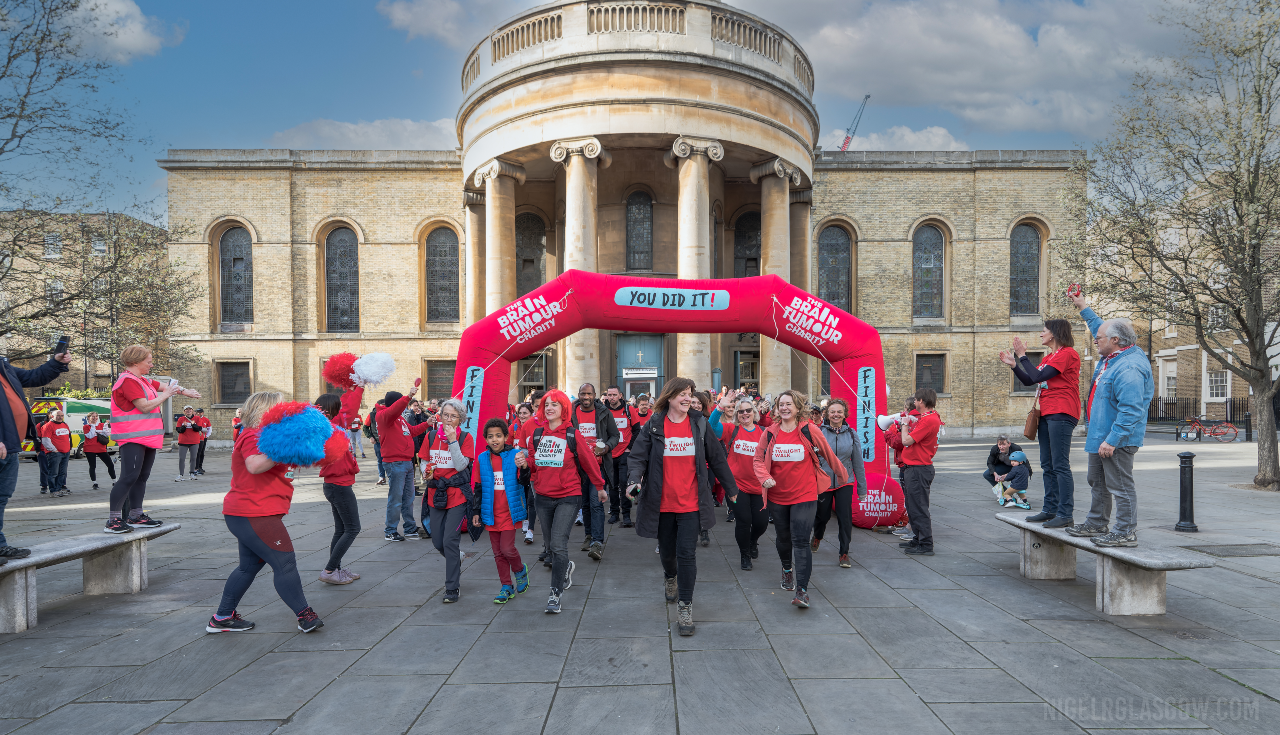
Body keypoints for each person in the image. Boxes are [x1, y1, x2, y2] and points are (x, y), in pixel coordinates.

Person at [626, 377, 738, 635]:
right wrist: (634, 480)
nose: (688, 398)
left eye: (690, 394)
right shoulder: (654, 424)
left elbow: (717, 458)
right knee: (668, 554)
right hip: (661, 504)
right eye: (683, 394)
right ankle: (670, 578)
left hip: (691, 504)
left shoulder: (699, 423)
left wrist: (731, 489)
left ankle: (685, 607)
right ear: (670, 397)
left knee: (687, 553)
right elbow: (637, 457)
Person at [206, 391, 323, 634]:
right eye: (280, 408)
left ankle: (222, 617)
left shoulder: (268, 436)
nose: (286, 412)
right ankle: (305, 615)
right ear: (267, 410)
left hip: (251, 512)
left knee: (248, 567)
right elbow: (255, 465)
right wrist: (289, 443)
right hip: (254, 513)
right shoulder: (252, 434)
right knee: (285, 562)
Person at [1067, 291, 1154, 547]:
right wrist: (1083, 306)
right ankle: (1096, 523)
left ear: (1115, 340)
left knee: (1120, 485)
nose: (1096, 340)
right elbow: (1100, 327)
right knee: (1098, 482)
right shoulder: (1114, 353)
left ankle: (1126, 531)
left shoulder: (1129, 367)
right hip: (1101, 434)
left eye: (1100, 339)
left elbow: (1131, 410)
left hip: (1116, 439)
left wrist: (1113, 439)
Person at [753, 390, 848, 608]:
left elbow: (829, 455)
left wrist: (845, 480)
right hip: (778, 495)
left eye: (789, 404)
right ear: (777, 409)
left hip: (805, 494)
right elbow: (757, 460)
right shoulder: (769, 432)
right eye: (781, 404)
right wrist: (764, 477)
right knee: (783, 538)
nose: (784, 408)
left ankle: (802, 590)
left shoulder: (809, 430)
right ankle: (787, 569)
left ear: (797, 408)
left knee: (801, 540)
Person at [516, 389, 606, 614]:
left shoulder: (572, 435)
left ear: (564, 409)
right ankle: (564, 567)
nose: (549, 408)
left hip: (569, 495)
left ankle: (555, 594)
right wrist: (525, 461)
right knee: (550, 546)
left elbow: (589, 463)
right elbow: (535, 463)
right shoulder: (537, 434)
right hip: (543, 496)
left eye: (555, 404)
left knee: (558, 544)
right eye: (546, 404)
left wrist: (600, 487)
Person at [106, 345, 200, 534]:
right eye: (148, 361)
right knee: (128, 477)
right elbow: (144, 407)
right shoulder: (127, 381)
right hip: (132, 436)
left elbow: (166, 386)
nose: (151, 364)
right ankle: (114, 520)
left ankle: (136, 515)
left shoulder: (143, 380)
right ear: (135, 362)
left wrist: (185, 391)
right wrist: (166, 396)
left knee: (141, 477)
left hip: (146, 436)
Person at [1001, 318, 1081, 529]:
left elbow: (1038, 375)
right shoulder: (1050, 356)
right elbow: (1030, 380)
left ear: (1054, 333)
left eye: (1043, 331)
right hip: (1047, 413)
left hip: (1062, 412)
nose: (1040, 334)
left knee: (1060, 465)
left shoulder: (1067, 354)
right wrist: (1014, 365)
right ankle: (1050, 510)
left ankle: (1065, 513)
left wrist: (1023, 356)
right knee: (1048, 465)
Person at [0, 350, 69, 559]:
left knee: (2, 497)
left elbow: (33, 377)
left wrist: (55, 362)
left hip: (10, 446)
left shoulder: (4, 367)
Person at [421, 398, 475, 602]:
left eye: (453, 416)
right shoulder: (432, 435)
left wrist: (452, 440)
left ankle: (452, 588)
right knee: (437, 541)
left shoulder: (465, 438)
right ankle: (457, 558)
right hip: (436, 494)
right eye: (446, 415)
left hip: (457, 495)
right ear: (440, 416)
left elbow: (461, 465)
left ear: (460, 419)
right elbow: (425, 461)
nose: (449, 419)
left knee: (450, 541)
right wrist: (426, 472)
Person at [473, 418, 530, 604]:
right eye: (490, 437)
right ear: (486, 439)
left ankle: (520, 569)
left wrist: (524, 466)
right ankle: (506, 586)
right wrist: (475, 511)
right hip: (491, 514)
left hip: (509, 512)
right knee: (498, 553)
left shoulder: (515, 454)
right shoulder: (482, 458)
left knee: (507, 549)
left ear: (506, 436)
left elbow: (525, 481)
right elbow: (479, 486)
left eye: (498, 435)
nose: (494, 440)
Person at [813, 397, 868, 569]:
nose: (836, 414)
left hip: (845, 481)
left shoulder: (852, 434)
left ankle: (844, 553)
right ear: (827, 414)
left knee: (845, 518)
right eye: (832, 412)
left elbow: (858, 463)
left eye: (839, 412)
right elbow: (812, 459)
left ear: (844, 414)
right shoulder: (818, 432)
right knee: (822, 516)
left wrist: (862, 489)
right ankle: (817, 536)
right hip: (825, 481)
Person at [314, 392, 362, 585]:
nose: (342, 408)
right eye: (338, 406)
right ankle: (329, 570)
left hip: (336, 484)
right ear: (332, 408)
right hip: (337, 485)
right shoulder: (328, 430)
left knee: (341, 529)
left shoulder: (332, 427)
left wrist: (356, 387)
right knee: (353, 528)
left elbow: (349, 411)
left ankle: (336, 569)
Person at [571, 383, 619, 560]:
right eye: (583, 393)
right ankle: (589, 536)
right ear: (579, 394)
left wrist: (606, 447)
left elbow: (615, 435)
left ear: (595, 395)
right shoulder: (571, 414)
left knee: (596, 502)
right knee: (584, 503)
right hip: (577, 466)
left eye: (589, 394)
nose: (586, 397)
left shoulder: (604, 413)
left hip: (598, 466)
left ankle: (597, 542)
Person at [376, 384, 430, 541]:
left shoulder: (399, 419)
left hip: (406, 462)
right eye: (402, 402)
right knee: (396, 498)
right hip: (395, 463)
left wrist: (427, 423)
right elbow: (394, 410)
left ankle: (410, 527)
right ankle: (390, 530)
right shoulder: (384, 416)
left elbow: (412, 431)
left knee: (408, 497)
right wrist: (408, 396)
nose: (405, 406)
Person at [720, 396, 767, 570]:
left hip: (759, 486)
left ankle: (753, 541)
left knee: (761, 523)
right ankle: (744, 555)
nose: (745, 414)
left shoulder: (763, 432)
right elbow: (711, 428)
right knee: (743, 521)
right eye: (741, 411)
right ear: (737, 414)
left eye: (748, 410)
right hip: (737, 486)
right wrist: (719, 408)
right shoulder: (731, 429)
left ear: (754, 413)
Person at [898, 388, 942, 556]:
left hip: (918, 468)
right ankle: (918, 538)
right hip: (916, 467)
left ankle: (925, 543)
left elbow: (906, 440)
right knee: (912, 506)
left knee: (918, 508)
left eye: (916, 400)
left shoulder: (928, 420)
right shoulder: (929, 418)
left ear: (922, 401)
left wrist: (904, 424)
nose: (914, 403)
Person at [603, 385, 641, 528]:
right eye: (609, 395)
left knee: (625, 484)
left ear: (620, 395)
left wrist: (629, 448)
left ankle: (626, 514)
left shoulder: (629, 410)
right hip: (609, 453)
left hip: (625, 454)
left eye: (614, 394)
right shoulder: (603, 411)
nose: (611, 397)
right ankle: (614, 513)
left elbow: (637, 430)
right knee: (612, 485)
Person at [39, 409, 73, 497]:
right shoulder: (48, 426)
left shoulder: (65, 424)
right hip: (55, 453)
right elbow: (45, 440)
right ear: (52, 416)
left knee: (62, 472)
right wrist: (54, 450)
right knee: (53, 473)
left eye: (61, 415)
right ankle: (53, 491)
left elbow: (68, 437)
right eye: (58, 415)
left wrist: (68, 448)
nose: (60, 417)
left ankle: (59, 489)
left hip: (66, 452)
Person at [81, 411, 116, 490]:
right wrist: (93, 426)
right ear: (88, 418)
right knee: (93, 466)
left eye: (96, 416)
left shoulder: (102, 425)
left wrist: (106, 426)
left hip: (101, 448)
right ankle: (95, 483)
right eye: (93, 416)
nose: (95, 418)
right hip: (90, 449)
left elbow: (107, 434)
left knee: (110, 464)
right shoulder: (86, 426)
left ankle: (114, 481)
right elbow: (90, 436)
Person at [175, 405, 203, 482]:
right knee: (181, 458)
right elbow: (179, 430)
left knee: (193, 458)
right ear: (184, 411)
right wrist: (184, 426)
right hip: (183, 441)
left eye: (190, 409)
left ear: (192, 411)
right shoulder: (181, 419)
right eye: (186, 410)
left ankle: (192, 473)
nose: (188, 411)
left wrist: (194, 424)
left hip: (194, 441)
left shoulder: (197, 418)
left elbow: (199, 429)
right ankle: (181, 475)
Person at [366, 402, 386, 485]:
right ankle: (382, 477)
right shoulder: (371, 415)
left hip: (388, 441)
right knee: (380, 460)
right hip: (378, 441)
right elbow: (365, 427)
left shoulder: (388, 413)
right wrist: (370, 437)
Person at [193, 407, 212, 475]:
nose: (199, 414)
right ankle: (196, 467)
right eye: (197, 412)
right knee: (196, 453)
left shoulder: (205, 419)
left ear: (202, 413)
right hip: (196, 438)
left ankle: (200, 466)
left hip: (203, 438)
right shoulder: (194, 419)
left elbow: (209, 428)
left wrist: (207, 436)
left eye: (200, 412)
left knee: (201, 452)